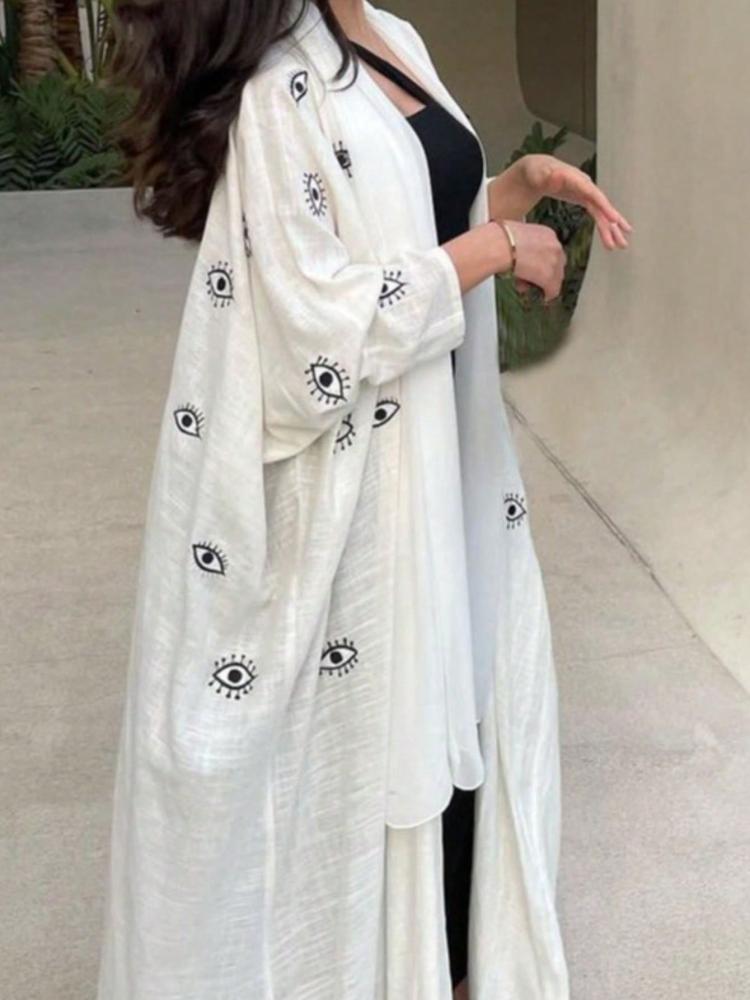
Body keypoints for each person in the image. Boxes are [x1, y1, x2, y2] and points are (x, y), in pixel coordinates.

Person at [95, 1, 632, 998]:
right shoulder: (277, 82)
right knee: (372, 761)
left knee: (464, 723)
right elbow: (312, 333)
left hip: (446, 471)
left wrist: (504, 192)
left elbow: (397, 226)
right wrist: (493, 249)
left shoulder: (391, 32)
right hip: (354, 508)